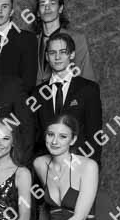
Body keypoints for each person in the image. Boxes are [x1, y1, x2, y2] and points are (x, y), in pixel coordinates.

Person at [33, 32, 103, 165]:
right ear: (47, 56)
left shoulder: (88, 89)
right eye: (52, 53)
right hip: (47, 168)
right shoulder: (37, 93)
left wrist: (91, 169)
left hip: (79, 165)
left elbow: (94, 135)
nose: (57, 57)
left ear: (72, 54)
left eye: (63, 52)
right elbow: (34, 138)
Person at [35, 0, 96, 85]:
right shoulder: (32, 41)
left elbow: (87, 76)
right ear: (38, 12)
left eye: (52, 3)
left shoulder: (77, 39)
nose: (47, 8)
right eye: (42, 4)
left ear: (60, 8)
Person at [0, 0, 37, 95]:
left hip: (16, 101)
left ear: (11, 12)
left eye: (4, 6)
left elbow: (29, 82)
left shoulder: (27, 39)